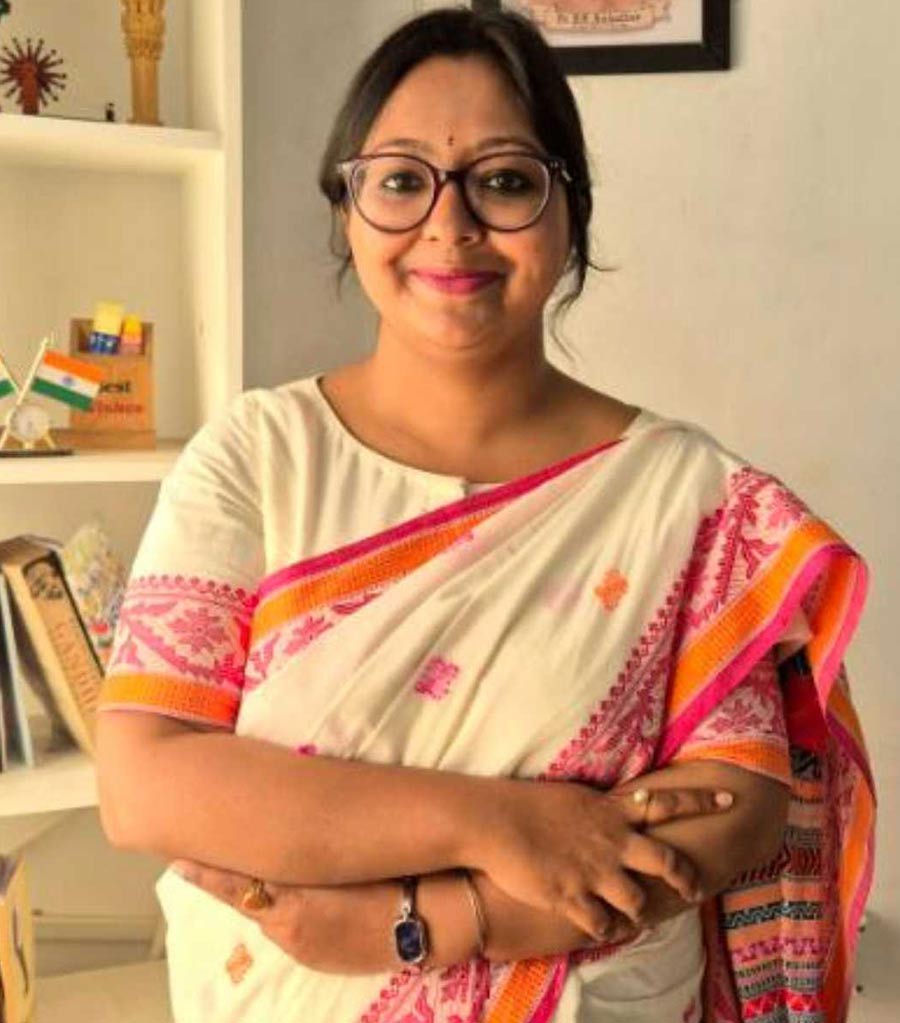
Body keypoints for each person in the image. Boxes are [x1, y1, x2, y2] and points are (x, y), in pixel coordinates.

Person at [95, 8, 873, 1023]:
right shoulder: (256, 456)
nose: (451, 225)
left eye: (504, 181)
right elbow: (148, 784)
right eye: (401, 181)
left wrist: (426, 920)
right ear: (346, 210)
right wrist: (503, 824)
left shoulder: (683, 493)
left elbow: (735, 803)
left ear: (569, 211)